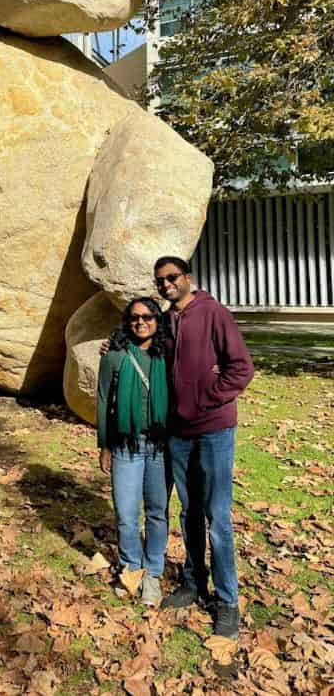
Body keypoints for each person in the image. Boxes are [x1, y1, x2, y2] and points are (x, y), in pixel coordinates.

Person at [153, 255, 253, 640]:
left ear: (188, 278)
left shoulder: (213, 313)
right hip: (178, 433)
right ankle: (194, 582)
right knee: (189, 512)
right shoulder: (166, 319)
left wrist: (209, 398)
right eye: (160, 280)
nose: (166, 285)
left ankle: (228, 602)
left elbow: (241, 367)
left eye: (172, 277)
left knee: (218, 516)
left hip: (213, 429)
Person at [97, 298, 172, 607]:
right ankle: (131, 567)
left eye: (148, 316)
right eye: (135, 317)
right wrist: (104, 444)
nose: (141, 322)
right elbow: (103, 401)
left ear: (158, 320)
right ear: (127, 321)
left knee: (157, 511)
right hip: (125, 444)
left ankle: (153, 572)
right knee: (126, 514)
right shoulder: (113, 355)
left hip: (161, 445)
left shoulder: (169, 354)